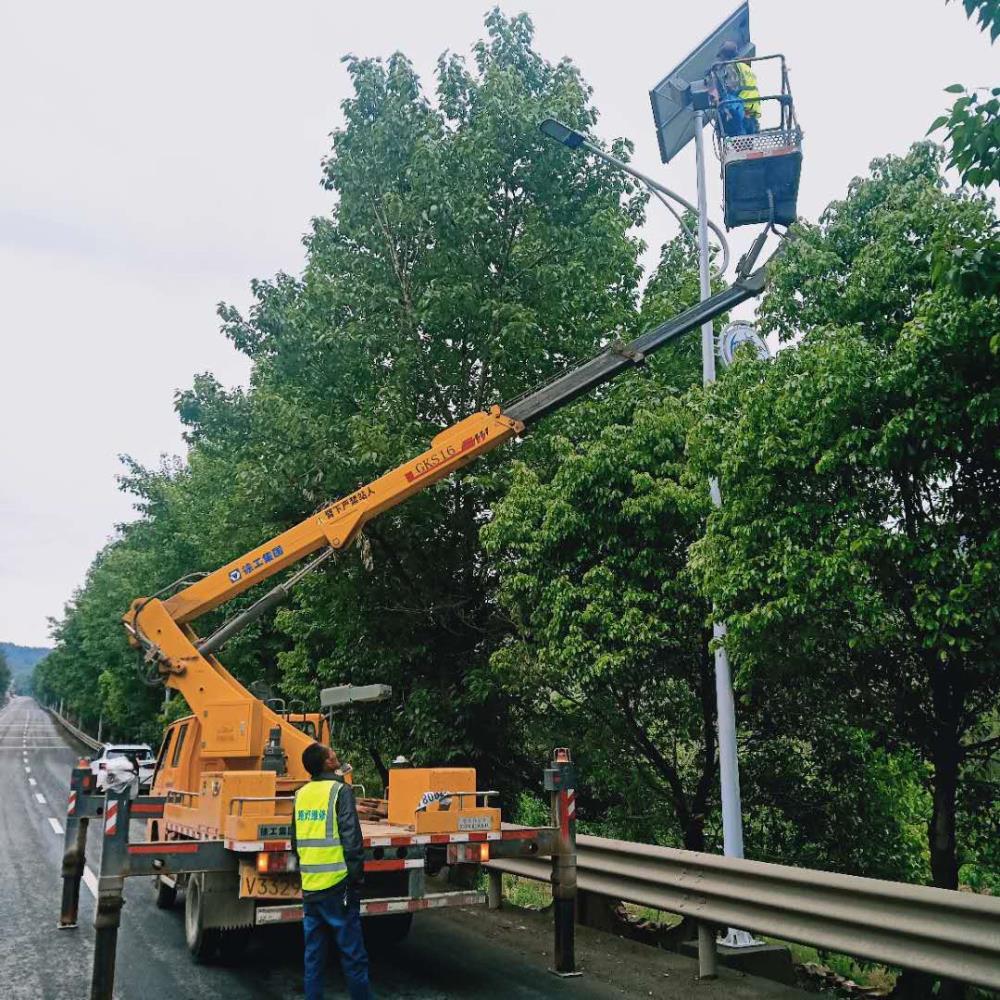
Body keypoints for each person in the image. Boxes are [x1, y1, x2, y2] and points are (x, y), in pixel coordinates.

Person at [292, 742, 371, 1000]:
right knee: (352, 954)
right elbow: (351, 839)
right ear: (326, 763)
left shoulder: (300, 794)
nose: (335, 754)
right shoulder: (340, 791)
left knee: (313, 955)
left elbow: (295, 842)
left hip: (311, 886)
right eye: (331, 753)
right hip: (339, 886)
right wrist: (357, 877)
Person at [716, 40, 761, 134]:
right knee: (747, 145)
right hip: (752, 111)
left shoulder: (731, 66)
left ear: (725, 55)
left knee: (724, 105)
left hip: (741, 111)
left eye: (721, 57)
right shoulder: (745, 67)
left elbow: (732, 88)